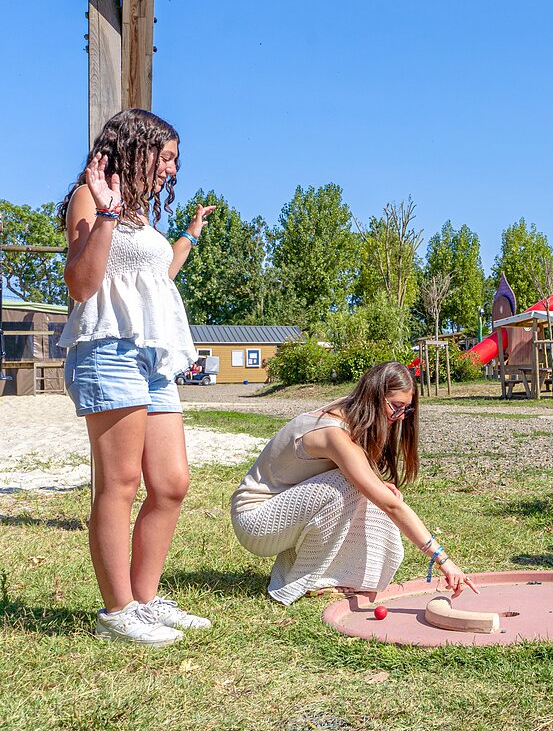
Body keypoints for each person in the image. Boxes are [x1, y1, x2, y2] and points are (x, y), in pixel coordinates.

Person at [57, 108, 216, 646]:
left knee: (171, 483)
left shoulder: (142, 215)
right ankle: (118, 610)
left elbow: (157, 279)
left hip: (153, 356)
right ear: (137, 148)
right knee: (120, 484)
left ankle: (145, 601)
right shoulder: (91, 196)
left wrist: (188, 235)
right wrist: (104, 215)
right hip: (109, 350)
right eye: (167, 157)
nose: (173, 169)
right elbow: (81, 285)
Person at [231, 362, 477, 604]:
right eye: (396, 407)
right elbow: (391, 506)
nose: (400, 418)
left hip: (279, 514)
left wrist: (379, 484)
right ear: (374, 397)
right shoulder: (333, 432)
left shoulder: (349, 414)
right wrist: (443, 560)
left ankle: (317, 572)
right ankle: (305, 580)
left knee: (371, 490)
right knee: (352, 487)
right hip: (255, 522)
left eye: (406, 410)